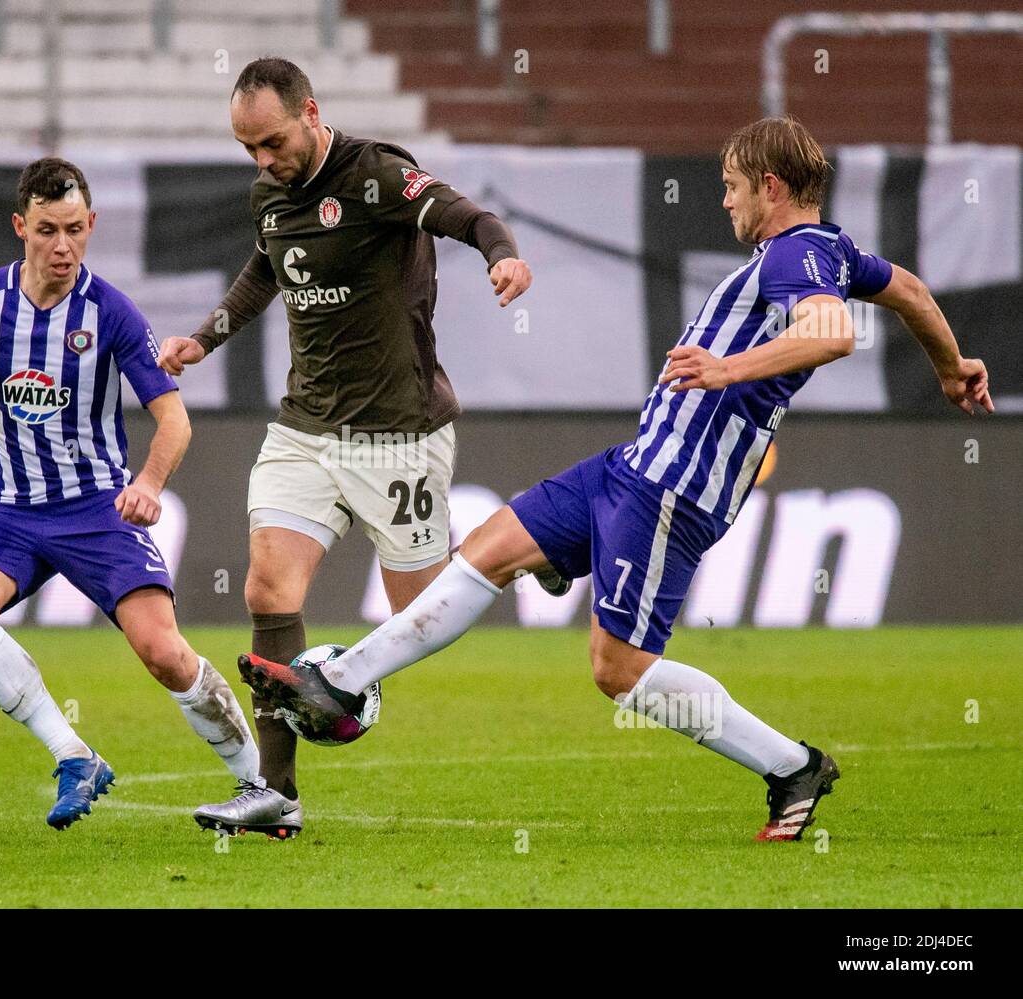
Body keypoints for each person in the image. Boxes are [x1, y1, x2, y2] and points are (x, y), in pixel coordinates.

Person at [238, 115, 994, 842]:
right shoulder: (831, 250)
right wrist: (951, 367)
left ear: (770, 186)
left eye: (733, 187)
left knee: (619, 670)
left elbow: (830, 331)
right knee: (490, 548)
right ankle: (344, 679)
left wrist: (726, 368)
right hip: (632, 467)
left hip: (672, 492)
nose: (725, 201)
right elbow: (912, 294)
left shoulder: (798, 255)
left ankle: (792, 765)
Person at [157, 57, 535, 838]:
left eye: (270, 142)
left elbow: (464, 214)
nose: (262, 161)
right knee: (267, 586)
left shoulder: (375, 175)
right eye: (248, 149)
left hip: (401, 434)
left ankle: (529, 549)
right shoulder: (271, 193)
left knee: (424, 613)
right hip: (305, 426)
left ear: (310, 113)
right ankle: (276, 792)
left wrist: (501, 252)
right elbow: (267, 270)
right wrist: (204, 338)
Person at [0, 157, 259, 830]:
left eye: (76, 229)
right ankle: (73, 753)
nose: (63, 246)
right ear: (20, 226)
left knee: (163, 652)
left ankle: (260, 783)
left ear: (91, 224)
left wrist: (150, 482)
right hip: (10, 511)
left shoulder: (109, 312)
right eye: (48, 230)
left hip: (97, 509)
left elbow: (173, 417)